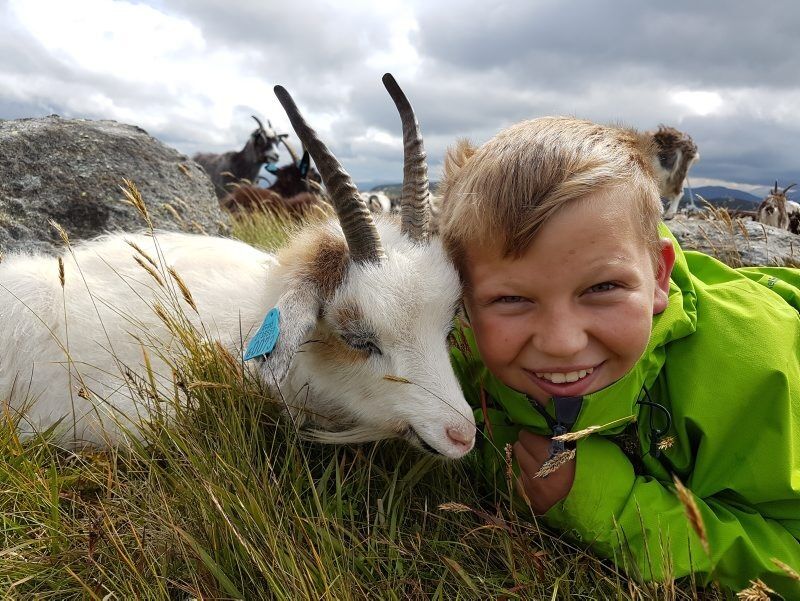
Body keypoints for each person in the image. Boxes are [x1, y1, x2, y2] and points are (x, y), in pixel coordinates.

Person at [438, 116, 800, 596]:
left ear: (658, 275)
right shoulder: (456, 365)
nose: (562, 342)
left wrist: (608, 502)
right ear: (462, 300)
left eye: (603, 288)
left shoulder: (757, 376)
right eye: (511, 299)